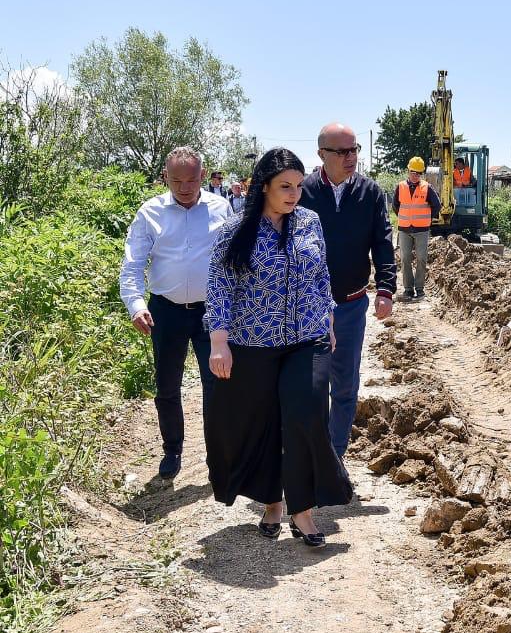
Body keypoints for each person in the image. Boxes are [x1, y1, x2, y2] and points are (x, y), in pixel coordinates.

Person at [206, 148, 352, 547]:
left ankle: (303, 510)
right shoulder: (236, 230)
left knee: (305, 412)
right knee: (265, 421)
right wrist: (219, 340)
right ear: (264, 187)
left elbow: (321, 274)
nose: (294, 195)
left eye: (299, 186)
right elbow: (220, 286)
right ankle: (272, 502)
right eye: (285, 186)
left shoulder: (310, 223)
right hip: (253, 342)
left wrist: (330, 319)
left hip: (307, 338)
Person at [119, 147, 231, 479]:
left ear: (203, 174)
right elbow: (132, 265)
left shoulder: (220, 208)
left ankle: (218, 457)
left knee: (216, 385)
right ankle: (173, 449)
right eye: (177, 180)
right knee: (167, 386)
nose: (185, 187)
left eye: (192, 179)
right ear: (165, 177)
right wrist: (136, 305)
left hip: (211, 312)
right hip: (165, 311)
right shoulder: (150, 212)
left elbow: (234, 262)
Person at [299, 123, 396, 458]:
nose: (351, 157)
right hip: (307, 308)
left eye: (354, 149)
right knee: (311, 386)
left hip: (351, 304)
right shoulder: (303, 192)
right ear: (322, 155)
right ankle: (309, 453)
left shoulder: (369, 193)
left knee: (344, 386)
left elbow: (382, 241)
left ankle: (334, 456)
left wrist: (386, 288)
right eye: (342, 151)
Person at [392, 156, 441, 301]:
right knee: (405, 259)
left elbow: (437, 206)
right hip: (405, 229)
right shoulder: (400, 186)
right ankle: (408, 290)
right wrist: (404, 217)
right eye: (413, 172)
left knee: (421, 259)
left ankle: (419, 289)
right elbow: (395, 206)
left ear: (422, 174)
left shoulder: (427, 187)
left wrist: (426, 219)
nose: (416, 175)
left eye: (419, 173)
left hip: (422, 230)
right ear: (408, 171)